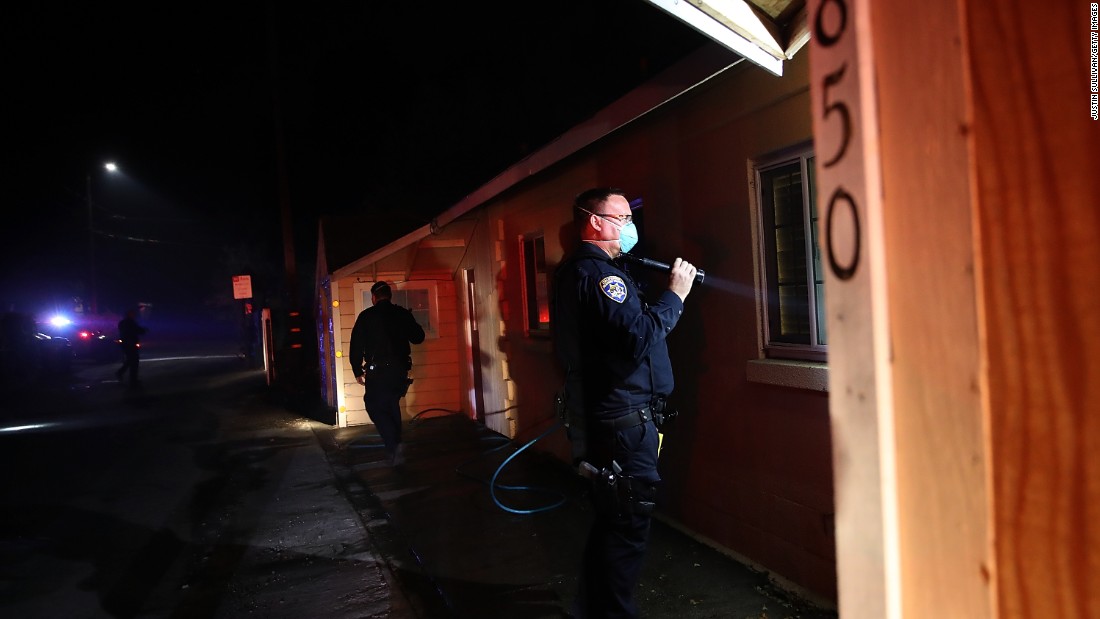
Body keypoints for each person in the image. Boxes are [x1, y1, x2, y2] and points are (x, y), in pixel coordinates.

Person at [552, 187, 697, 618]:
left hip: (616, 419)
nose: (629, 227)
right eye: (621, 218)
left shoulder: (592, 270)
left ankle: (589, 610)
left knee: (611, 525)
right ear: (594, 221)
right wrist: (675, 296)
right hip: (623, 425)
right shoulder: (599, 275)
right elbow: (635, 337)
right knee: (626, 529)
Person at [349, 281, 426, 466]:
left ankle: (393, 444)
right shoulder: (401, 314)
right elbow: (418, 338)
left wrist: (357, 370)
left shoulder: (366, 316)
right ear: (389, 296)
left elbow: (356, 345)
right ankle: (396, 447)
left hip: (379, 371)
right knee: (391, 405)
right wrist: (409, 319)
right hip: (399, 370)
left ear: (374, 297)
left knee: (373, 405)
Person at [116, 309, 147, 386]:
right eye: (133, 314)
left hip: (126, 344)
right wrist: (143, 330)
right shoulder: (130, 322)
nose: (134, 315)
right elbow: (135, 330)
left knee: (131, 360)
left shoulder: (123, 323)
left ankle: (123, 374)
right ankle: (133, 380)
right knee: (134, 361)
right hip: (131, 344)